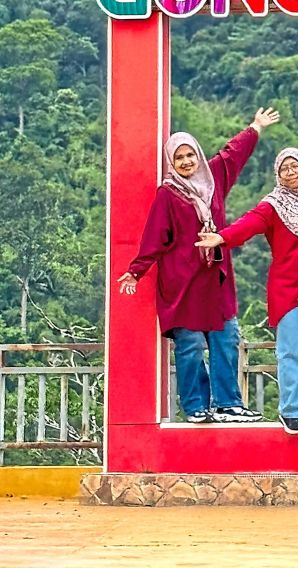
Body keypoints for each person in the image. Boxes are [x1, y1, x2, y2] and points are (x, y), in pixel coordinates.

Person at [118, 108, 280, 423]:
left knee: (226, 338)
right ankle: (195, 407)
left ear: (198, 155)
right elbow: (155, 237)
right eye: (179, 158)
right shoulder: (168, 194)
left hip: (215, 280)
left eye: (190, 154)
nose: (186, 162)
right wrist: (137, 270)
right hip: (182, 283)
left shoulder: (214, 177)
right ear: (171, 162)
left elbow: (233, 154)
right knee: (190, 346)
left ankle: (228, 404)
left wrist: (256, 127)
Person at [195, 115, 298, 435]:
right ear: (278, 174)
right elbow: (247, 224)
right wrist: (221, 237)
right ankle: (291, 411)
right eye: (284, 168)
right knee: (294, 350)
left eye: (295, 166)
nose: (290, 172)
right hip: (289, 290)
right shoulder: (273, 205)